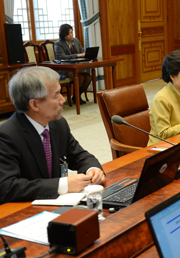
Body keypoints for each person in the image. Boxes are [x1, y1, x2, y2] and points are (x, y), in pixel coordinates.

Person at [0, 66, 105, 204]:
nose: (63, 100)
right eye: (56, 95)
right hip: (24, 211)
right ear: (35, 104)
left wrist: (93, 169)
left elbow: (79, 155)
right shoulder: (6, 136)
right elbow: (7, 187)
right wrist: (63, 185)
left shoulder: (58, 124)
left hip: (57, 206)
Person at [54, 24, 92, 104]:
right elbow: (62, 57)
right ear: (63, 34)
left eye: (72, 32)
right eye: (68, 33)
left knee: (88, 77)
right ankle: (76, 98)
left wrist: (86, 55)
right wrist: (77, 55)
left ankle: (76, 97)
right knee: (80, 77)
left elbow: (81, 52)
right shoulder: (58, 44)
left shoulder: (76, 41)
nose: (71, 35)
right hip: (65, 69)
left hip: (77, 68)